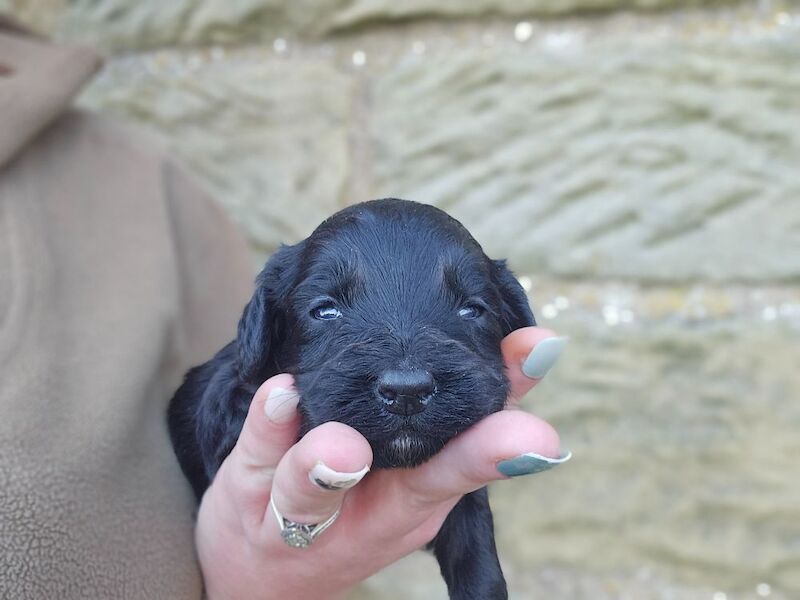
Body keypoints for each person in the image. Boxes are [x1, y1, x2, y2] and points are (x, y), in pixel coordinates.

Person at [0, 15, 569, 599]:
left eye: (470, 311)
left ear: (510, 318)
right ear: (268, 331)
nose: (405, 375)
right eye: (327, 311)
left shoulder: (148, 179)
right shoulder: (247, 385)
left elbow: (465, 520)